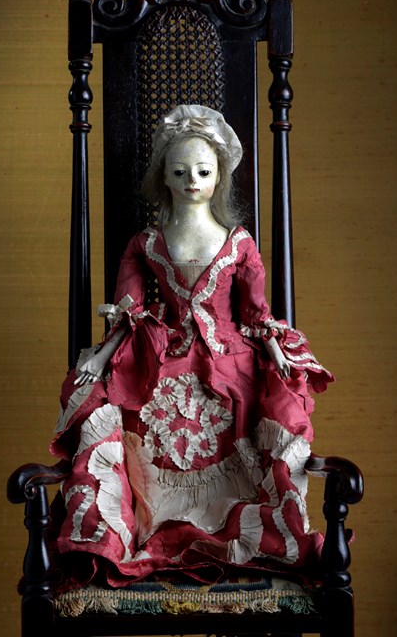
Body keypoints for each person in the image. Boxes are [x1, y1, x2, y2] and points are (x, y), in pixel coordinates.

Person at [48, 104, 334, 590]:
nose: (192, 181)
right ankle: (142, 528)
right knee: (117, 398)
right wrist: (99, 356)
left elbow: (256, 313)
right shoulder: (146, 244)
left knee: (251, 412)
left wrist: (276, 353)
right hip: (164, 352)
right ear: (164, 176)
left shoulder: (238, 243)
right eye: (180, 172)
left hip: (229, 359)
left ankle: (239, 527)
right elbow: (128, 312)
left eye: (202, 171)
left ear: (218, 175)